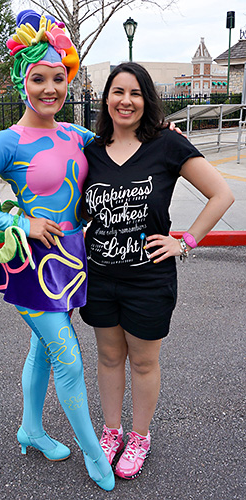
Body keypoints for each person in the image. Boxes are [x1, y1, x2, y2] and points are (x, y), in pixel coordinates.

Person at [0, 9, 114, 491]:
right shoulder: (6, 141)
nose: (50, 89)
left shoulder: (75, 135)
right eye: (39, 78)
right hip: (28, 267)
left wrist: (167, 138)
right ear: (23, 81)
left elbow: (122, 148)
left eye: (59, 78)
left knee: (42, 348)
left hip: (71, 261)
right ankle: (93, 453)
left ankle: (31, 429)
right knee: (69, 358)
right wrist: (20, 220)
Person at [79, 62, 235, 480]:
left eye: (135, 93)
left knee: (144, 363)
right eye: (117, 92)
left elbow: (221, 194)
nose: (125, 101)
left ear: (146, 99)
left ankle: (140, 437)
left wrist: (184, 242)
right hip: (100, 276)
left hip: (149, 279)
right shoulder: (91, 150)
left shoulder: (166, 144)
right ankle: (110, 433)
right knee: (109, 357)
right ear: (106, 98)